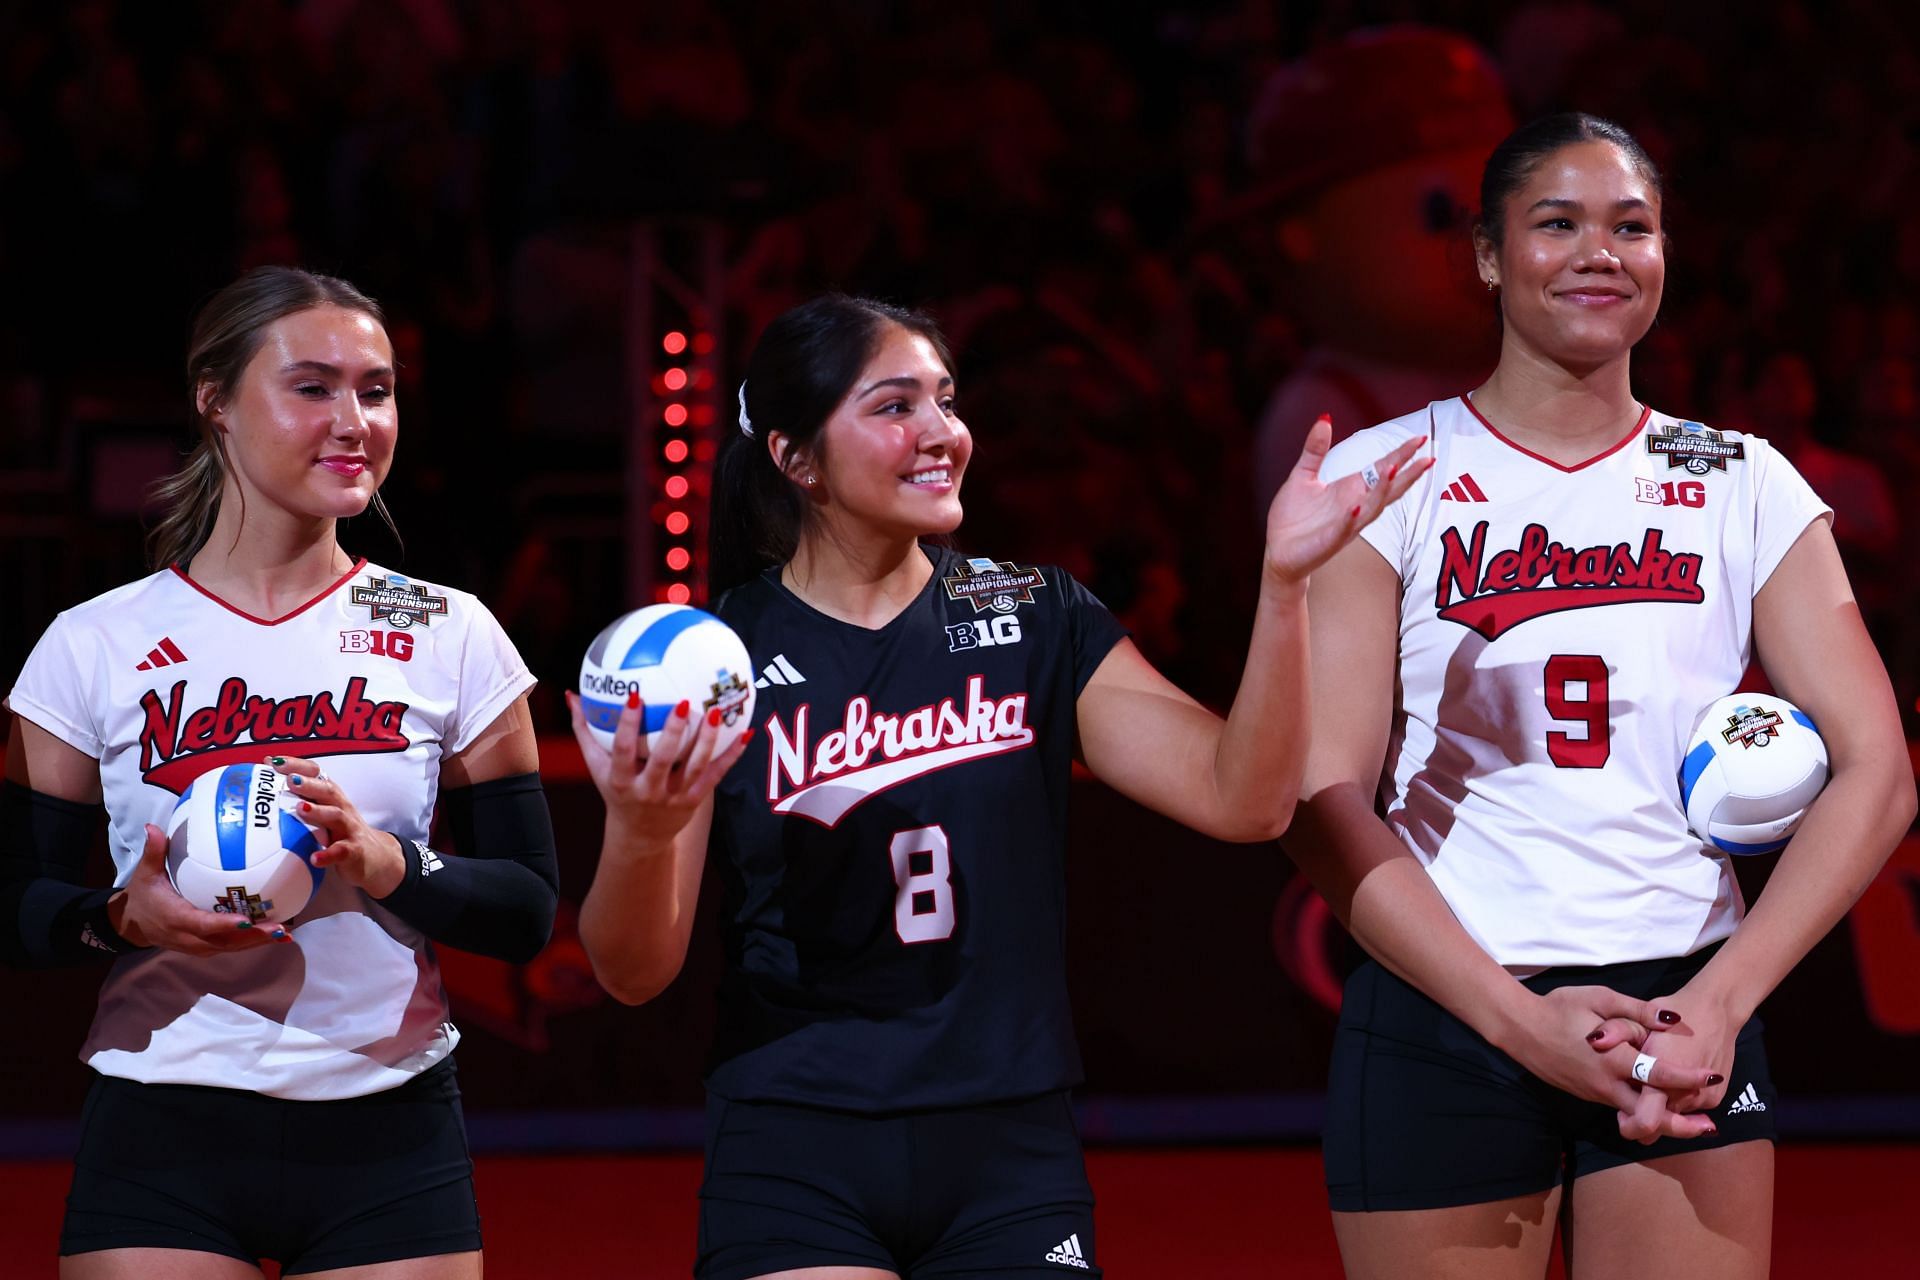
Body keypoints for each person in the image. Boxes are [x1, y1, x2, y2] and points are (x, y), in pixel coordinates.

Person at [569, 293, 1428, 1280]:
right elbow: (632, 972)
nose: (943, 433)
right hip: (797, 1146)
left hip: (1008, 1151)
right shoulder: (715, 661)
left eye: (945, 399)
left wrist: (1284, 588)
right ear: (795, 458)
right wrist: (641, 826)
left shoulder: (1031, 612)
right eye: (896, 407)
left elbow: (1245, 799)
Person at [1289, 113, 1915, 1279]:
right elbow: (1320, 796)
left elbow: (1878, 768)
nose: (1600, 252)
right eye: (1557, 223)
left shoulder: (1739, 476)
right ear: (1486, 255)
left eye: (1633, 226)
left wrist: (1721, 1002)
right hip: (1450, 1006)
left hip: (1684, 1008)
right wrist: (1519, 1023)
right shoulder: (1385, 473)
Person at [1, 266, 559, 1279]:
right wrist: (120, 917)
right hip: (162, 1123)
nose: (355, 421)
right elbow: (9, 902)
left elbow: (526, 909)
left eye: (377, 390)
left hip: (390, 1134)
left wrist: (392, 863)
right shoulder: (94, 643)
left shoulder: (449, 628)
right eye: (313, 387)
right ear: (213, 401)